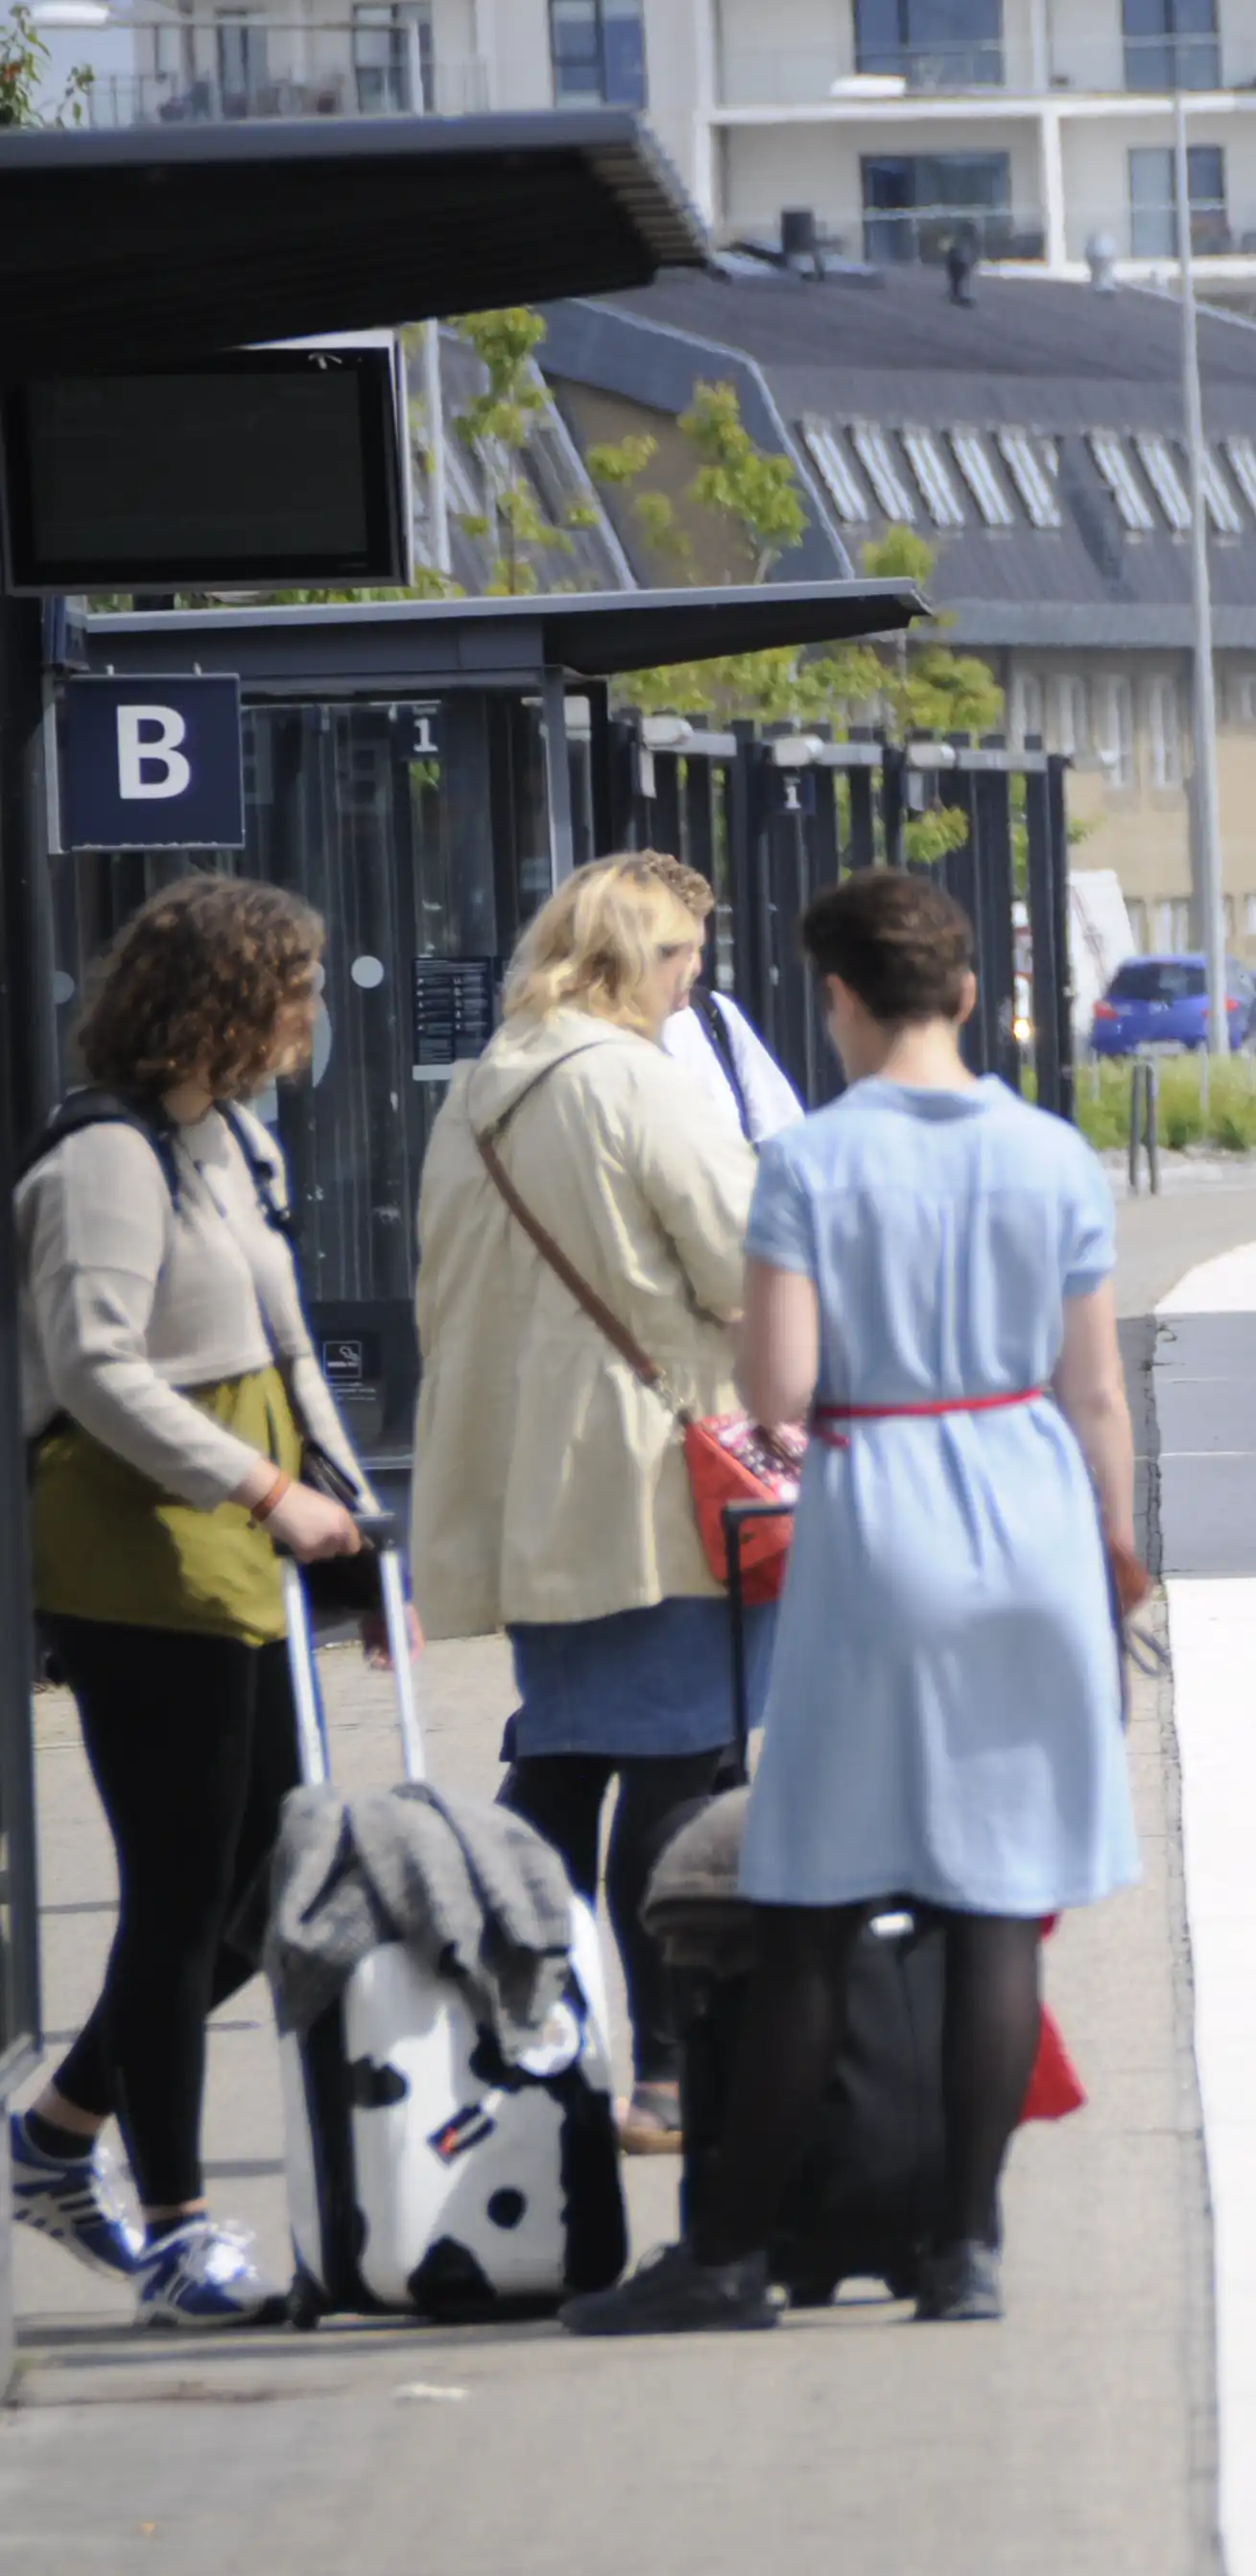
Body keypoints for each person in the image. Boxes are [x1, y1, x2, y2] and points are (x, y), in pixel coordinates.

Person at [564, 869, 1142, 2333]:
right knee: (999, 1905)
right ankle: (962, 2252)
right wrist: (1116, 1545)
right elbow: (1097, 1395)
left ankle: (738, 2257)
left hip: (879, 1509)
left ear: (840, 999)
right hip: (1027, 1516)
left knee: (814, 1908)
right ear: (963, 993)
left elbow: (779, 1392)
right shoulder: (1055, 1154)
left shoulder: (814, 1164)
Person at [7, 874, 375, 2327]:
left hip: (230, 1540)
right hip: (146, 1552)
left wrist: (341, 1502)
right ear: (228, 1002)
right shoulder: (105, 1160)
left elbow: (279, 1330)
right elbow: (97, 1366)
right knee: (176, 1900)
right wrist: (266, 1489)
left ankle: (54, 2135)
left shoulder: (215, 1139)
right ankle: (174, 2227)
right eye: (295, 988)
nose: (311, 1018)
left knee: (255, 1890)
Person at [413, 853, 767, 2156]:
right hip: (649, 1473)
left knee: (562, 1756)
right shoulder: (634, 1081)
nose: (695, 985)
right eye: (682, 959)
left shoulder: (479, 1089)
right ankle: (667, 2071)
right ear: (638, 961)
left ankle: (496, 2021)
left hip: (525, 1473)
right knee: (676, 1768)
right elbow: (743, 1261)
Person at [640, 854, 807, 1146]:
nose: (696, 968)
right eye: (684, 951)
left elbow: (782, 1137)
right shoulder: (589, 1037)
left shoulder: (714, 1016)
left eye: (699, 950)